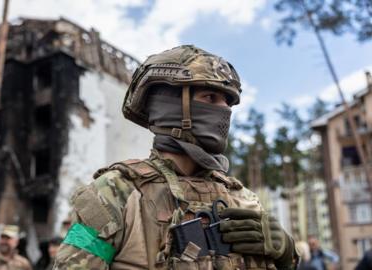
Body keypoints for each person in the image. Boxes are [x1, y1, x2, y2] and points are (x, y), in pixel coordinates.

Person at [54, 45, 298, 269]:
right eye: (210, 98)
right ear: (169, 106)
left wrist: (287, 255)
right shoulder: (113, 192)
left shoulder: (241, 198)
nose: (224, 110)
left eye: (228, 103)